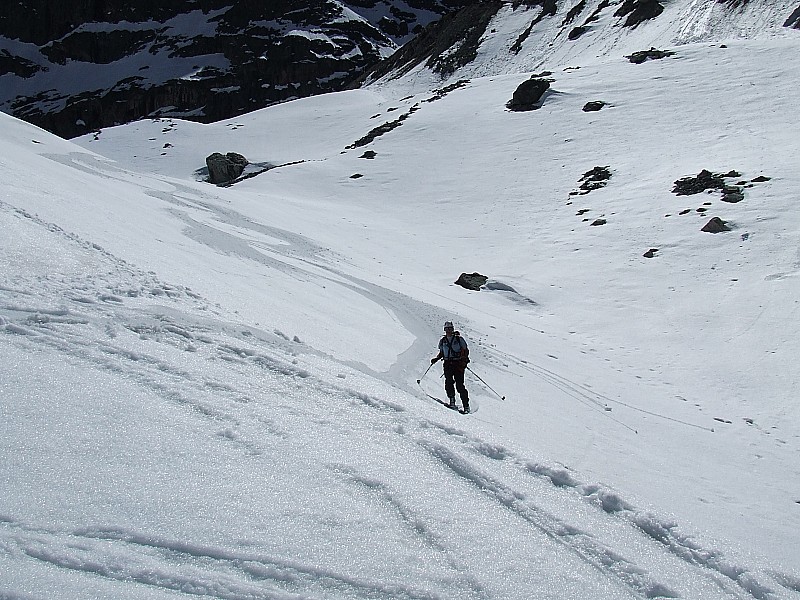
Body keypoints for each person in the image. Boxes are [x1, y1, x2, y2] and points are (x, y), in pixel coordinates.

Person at [431, 321, 470, 413]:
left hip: (458, 364)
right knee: (449, 382)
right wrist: (436, 359)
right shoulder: (443, 341)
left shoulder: (459, 339)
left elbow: (465, 351)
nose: (448, 330)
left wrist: (464, 361)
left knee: (459, 385)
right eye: (447, 329)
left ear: (452, 329)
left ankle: (466, 406)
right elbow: (442, 352)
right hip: (448, 364)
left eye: (450, 328)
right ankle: (452, 401)